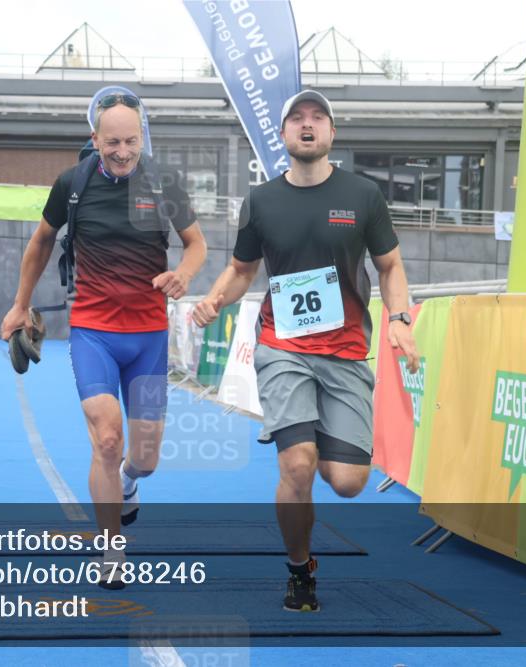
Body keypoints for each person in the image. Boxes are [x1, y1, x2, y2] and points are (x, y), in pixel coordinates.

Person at [192, 90, 420, 612]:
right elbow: (242, 270)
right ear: (284, 134)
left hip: (345, 351)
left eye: (318, 117)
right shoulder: (261, 201)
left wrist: (400, 319)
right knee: (297, 466)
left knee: (348, 482)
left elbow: (390, 266)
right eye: (297, 117)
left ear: (332, 132)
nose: (307, 124)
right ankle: (300, 570)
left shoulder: (363, 195)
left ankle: (316, 438)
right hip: (283, 347)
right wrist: (214, 299)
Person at [1, 90, 207, 586]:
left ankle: (131, 484)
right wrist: (20, 304)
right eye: (112, 142)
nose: (122, 151)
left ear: (142, 137)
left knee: (146, 458)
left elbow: (196, 244)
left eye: (131, 141)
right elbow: (41, 242)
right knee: (108, 438)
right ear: (95, 139)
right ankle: (112, 549)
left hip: (150, 337)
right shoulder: (72, 183)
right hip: (93, 332)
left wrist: (183, 274)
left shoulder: (165, 182)